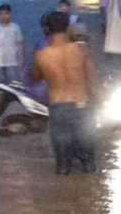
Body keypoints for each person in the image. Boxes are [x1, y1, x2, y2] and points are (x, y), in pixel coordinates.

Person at [32, 12, 100, 175]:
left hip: (58, 107)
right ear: (68, 28)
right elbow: (92, 80)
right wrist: (99, 101)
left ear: (46, 30)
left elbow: (35, 77)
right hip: (82, 105)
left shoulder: (41, 55)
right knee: (89, 164)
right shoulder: (80, 49)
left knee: (62, 167)